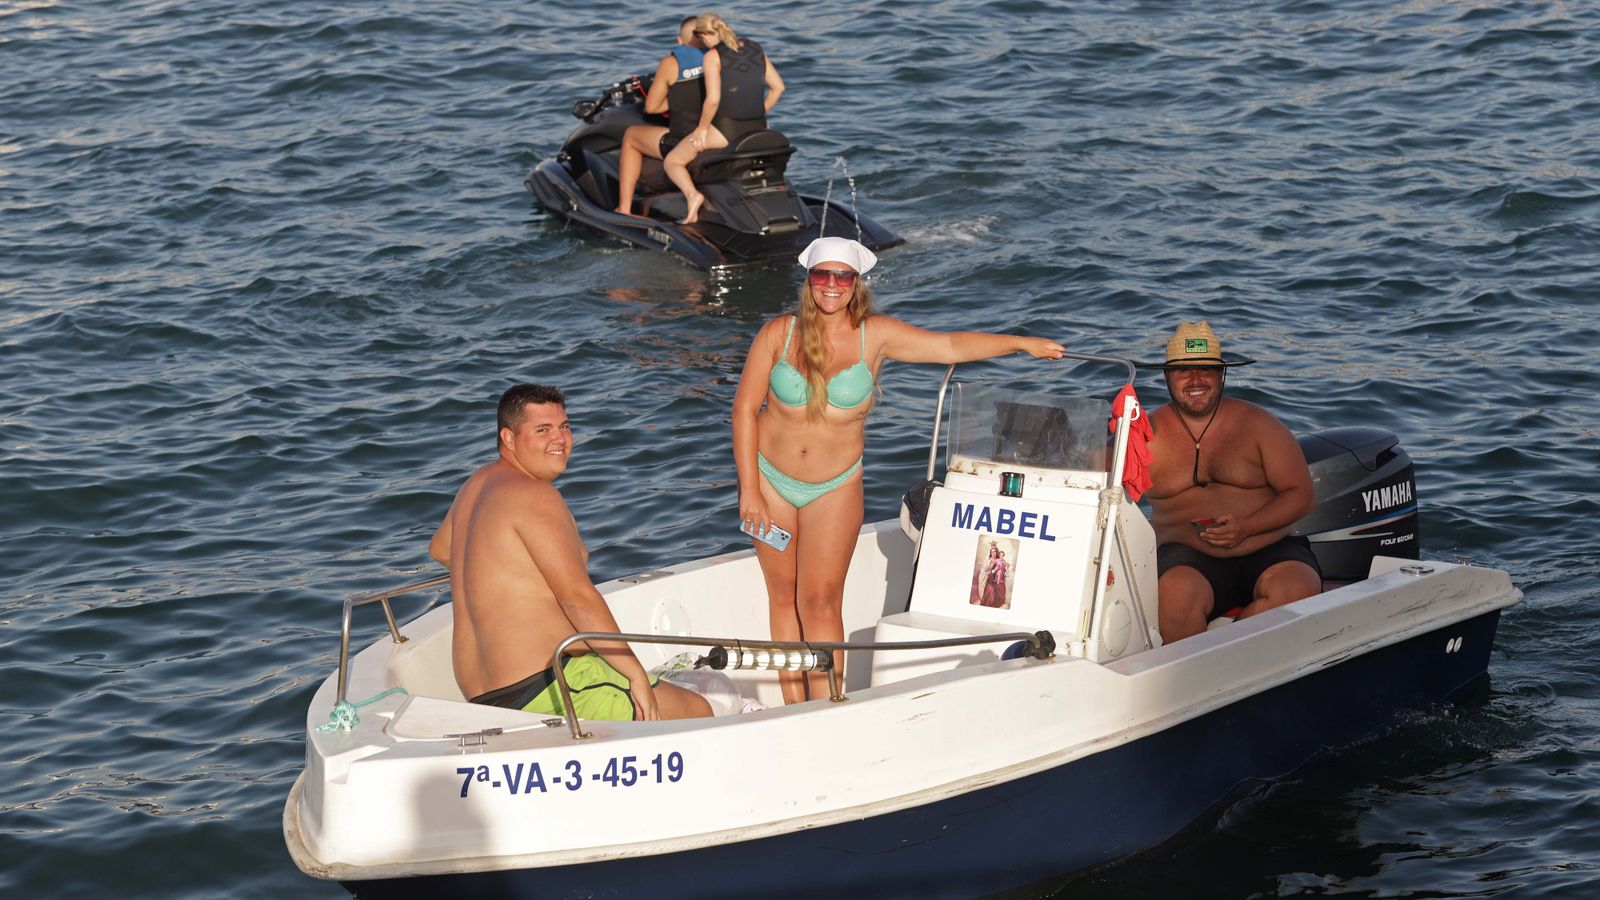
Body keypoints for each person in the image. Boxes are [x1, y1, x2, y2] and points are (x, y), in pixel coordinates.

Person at [731, 237, 1065, 703]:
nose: (831, 285)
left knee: (821, 602)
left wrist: (1020, 343)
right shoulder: (777, 333)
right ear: (808, 281)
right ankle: (793, 706)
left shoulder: (876, 336)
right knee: (783, 599)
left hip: (834, 487)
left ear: (855, 283)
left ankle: (828, 705)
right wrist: (750, 490)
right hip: (771, 484)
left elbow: (947, 345)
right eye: (821, 275)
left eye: (842, 276)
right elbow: (745, 411)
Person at [429, 384, 711, 721]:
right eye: (542, 430)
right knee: (700, 711)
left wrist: (514, 581)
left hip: (484, 696)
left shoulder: (474, 485)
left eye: (564, 426)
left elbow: (441, 549)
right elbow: (577, 599)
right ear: (508, 438)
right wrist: (634, 673)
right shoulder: (534, 495)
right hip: (550, 686)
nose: (560, 439)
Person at [1143, 321, 1322, 643]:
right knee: (1175, 597)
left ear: (1221, 374)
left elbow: (1302, 495)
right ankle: (1193, 677)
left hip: (1268, 545)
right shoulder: (1144, 434)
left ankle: (1227, 655)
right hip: (1185, 554)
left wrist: (1248, 526)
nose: (1195, 380)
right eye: (1184, 372)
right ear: (1167, 376)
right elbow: (1102, 486)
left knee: (1298, 588)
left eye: (1206, 370)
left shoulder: (1259, 424)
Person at [668, 12, 785, 223]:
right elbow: (778, 88)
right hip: (758, 128)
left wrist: (701, 129)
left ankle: (693, 197)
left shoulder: (712, 56)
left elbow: (713, 100)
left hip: (726, 130)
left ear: (703, 35)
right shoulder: (755, 48)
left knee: (673, 161)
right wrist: (757, 112)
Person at [614, 17, 710, 219]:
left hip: (686, 139)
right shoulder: (717, 57)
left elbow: (652, 107)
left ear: (679, 40)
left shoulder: (672, 63)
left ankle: (624, 208)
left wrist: (677, 99)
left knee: (631, 136)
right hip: (715, 133)